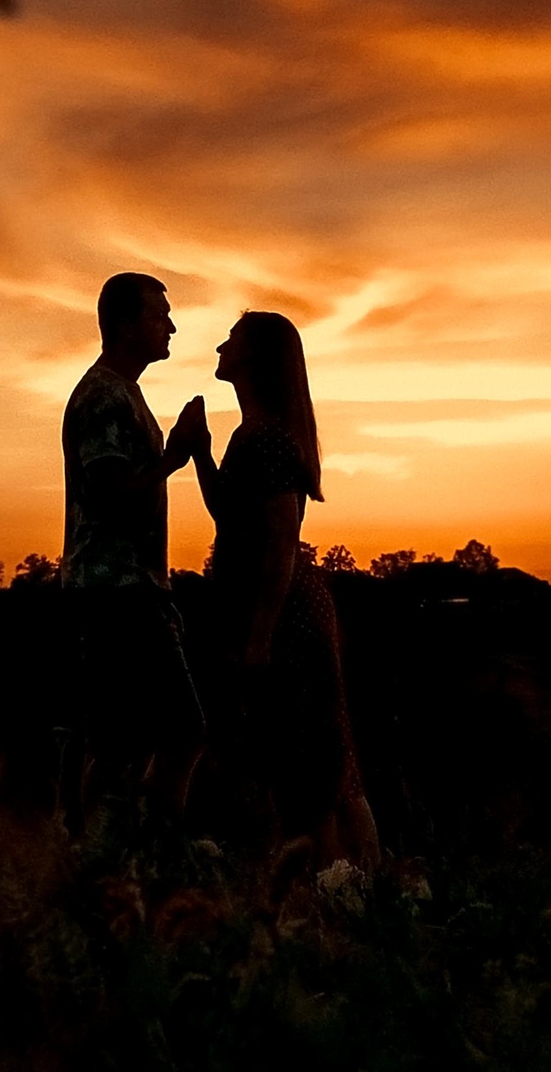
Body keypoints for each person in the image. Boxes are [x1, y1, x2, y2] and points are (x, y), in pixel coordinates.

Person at [188, 310, 380, 869]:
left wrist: (260, 636)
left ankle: (354, 884)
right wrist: (199, 449)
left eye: (234, 339)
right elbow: (228, 514)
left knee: (316, 759)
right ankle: (338, 886)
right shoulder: (252, 432)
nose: (222, 345)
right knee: (297, 754)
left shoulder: (270, 439)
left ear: (255, 358)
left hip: (287, 614)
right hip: (268, 610)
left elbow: (279, 542)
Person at [60, 271, 208, 833]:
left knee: (127, 738)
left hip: (129, 591)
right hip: (114, 594)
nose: (169, 325)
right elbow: (109, 495)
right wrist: (176, 456)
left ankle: (111, 852)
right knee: (176, 730)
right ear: (125, 326)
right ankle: (132, 855)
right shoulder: (104, 396)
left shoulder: (124, 392)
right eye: (158, 315)